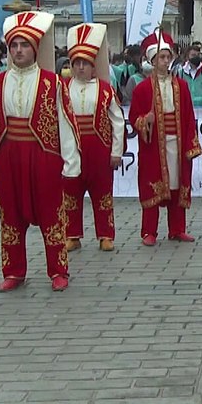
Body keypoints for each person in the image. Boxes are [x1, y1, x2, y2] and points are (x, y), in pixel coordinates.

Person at [0, 12, 81, 292]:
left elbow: (65, 124)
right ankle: (14, 271)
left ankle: (58, 270)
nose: (18, 50)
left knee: (52, 214)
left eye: (24, 45)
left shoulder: (53, 84)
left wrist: (71, 164)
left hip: (44, 157)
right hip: (8, 157)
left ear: (35, 49)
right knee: (11, 216)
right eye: (14, 45)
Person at [129, 30, 202, 246]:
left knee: (177, 185)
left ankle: (177, 229)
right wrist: (145, 121)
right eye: (161, 57)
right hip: (154, 146)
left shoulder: (181, 86)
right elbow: (134, 117)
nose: (165, 61)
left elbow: (189, 116)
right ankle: (149, 231)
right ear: (152, 60)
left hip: (177, 145)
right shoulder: (142, 89)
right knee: (153, 184)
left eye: (168, 56)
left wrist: (191, 143)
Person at [63, 23, 125, 253]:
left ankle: (105, 234)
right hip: (72, 149)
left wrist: (116, 152)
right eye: (76, 63)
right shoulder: (63, 89)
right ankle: (72, 235)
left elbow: (118, 121)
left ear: (93, 66)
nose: (80, 68)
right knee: (71, 193)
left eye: (85, 63)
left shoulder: (105, 89)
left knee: (102, 194)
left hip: (99, 149)